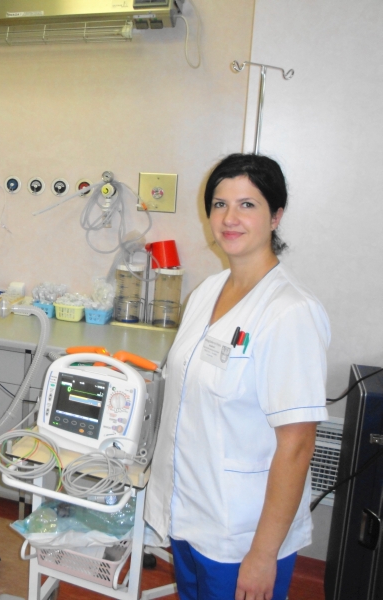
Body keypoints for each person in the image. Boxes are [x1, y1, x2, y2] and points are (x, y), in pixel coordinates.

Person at [144, 154, 330, 600]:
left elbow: (297, 444)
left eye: (247, 205)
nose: (230, 218)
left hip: (242, 534)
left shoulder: (290, 312)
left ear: (276, 216)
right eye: (220, 204)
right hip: (188, 513)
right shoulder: (206, 292)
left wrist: (264, 554)